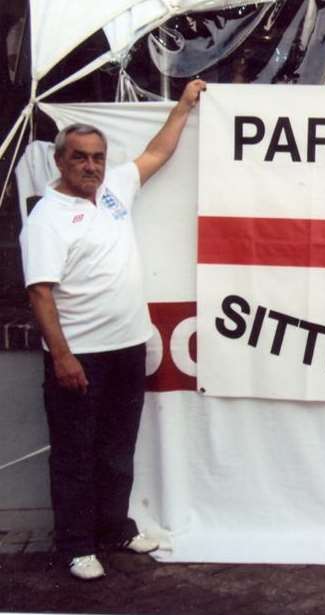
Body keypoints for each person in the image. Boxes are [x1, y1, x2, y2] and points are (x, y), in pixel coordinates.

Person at [19, 79, 207, 581]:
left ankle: (116, 529)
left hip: (127, 348)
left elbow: (157, 153)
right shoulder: (46, 218)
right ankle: (77, 546)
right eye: (80, 157)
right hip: (81, 355)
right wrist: (61, 356)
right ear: (61, 161)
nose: (91, 166)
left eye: (98, 157)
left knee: (118, 448)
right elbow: (39, 293)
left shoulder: (114, 190)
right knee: (75, 455)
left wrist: (184, 105)